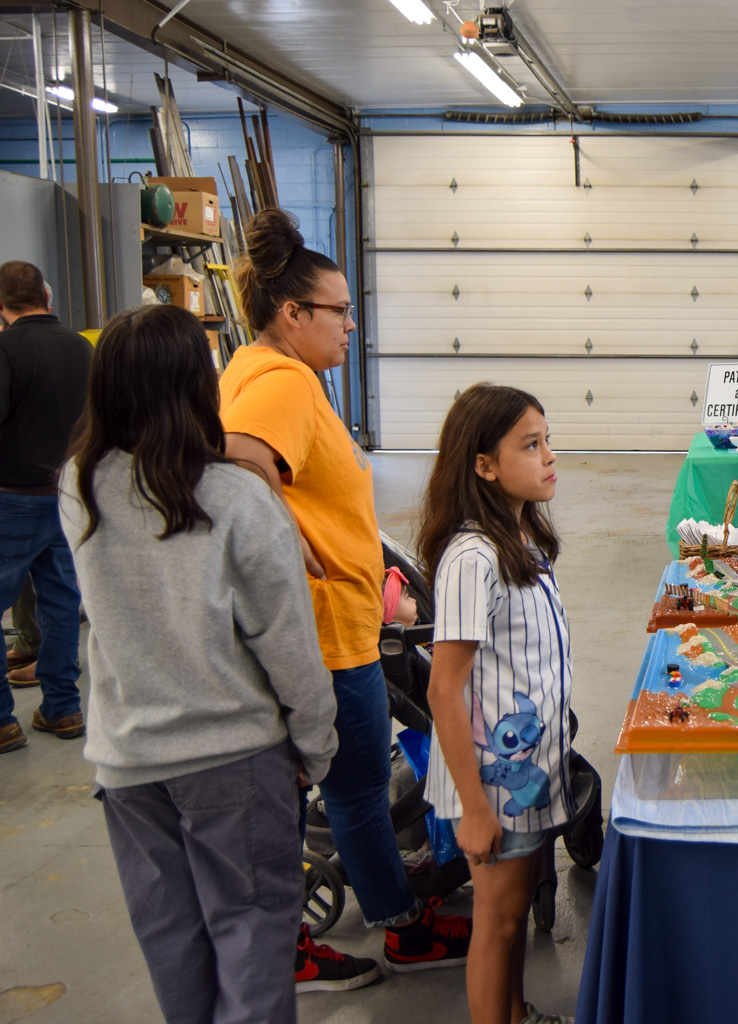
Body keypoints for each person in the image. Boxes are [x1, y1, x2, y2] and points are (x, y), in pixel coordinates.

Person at [57, 304, 340, 1023]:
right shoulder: (233, 495)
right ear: (194, 385)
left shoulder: (78, 486)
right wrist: (315, 743)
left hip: (128, 762)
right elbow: (286, 640)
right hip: (232, 756)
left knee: (171, 939)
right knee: (252, 935)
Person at [220, 209, 470, 985]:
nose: (351, 325)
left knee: (305, 784)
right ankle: (403, 931)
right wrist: (285, 539)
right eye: (340, 311)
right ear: (292, 313)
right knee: (358, 788)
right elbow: (236, 455)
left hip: (321, 624)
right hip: (327, 636)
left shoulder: (252, 368)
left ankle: (291, 940)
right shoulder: (285, 381)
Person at [419, 384, 574, 1024]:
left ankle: (515, 1012)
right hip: (491, 785)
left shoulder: (518, 536)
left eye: (546, 440)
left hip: (524, 778)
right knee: (498, 921)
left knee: (513, 916)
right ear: (484, 464)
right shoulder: (472, 557)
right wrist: (476, 809)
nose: (549, 456)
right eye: (530, 445)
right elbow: (443, 689)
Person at [0, 261, 91, 755]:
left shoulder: (5, 350)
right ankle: (63, 707)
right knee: (60, 604)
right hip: (68, 496)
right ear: (47, 297)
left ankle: (2, 722)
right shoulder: (82, 348)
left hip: (12, 499)